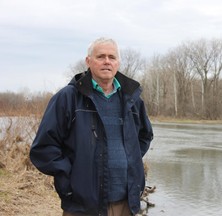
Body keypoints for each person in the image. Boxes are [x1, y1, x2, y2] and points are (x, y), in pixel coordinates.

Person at [29, 37, 153, 216]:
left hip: (126, 204)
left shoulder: (132, 100)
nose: (107, 61)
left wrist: (129, 158)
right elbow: (43, 148)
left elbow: (145, 136)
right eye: (100, 56)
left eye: (112, 57)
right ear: (88, 61)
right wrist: (70, 180)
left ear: (118, 62)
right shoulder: (68, 98)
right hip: (82, 206)